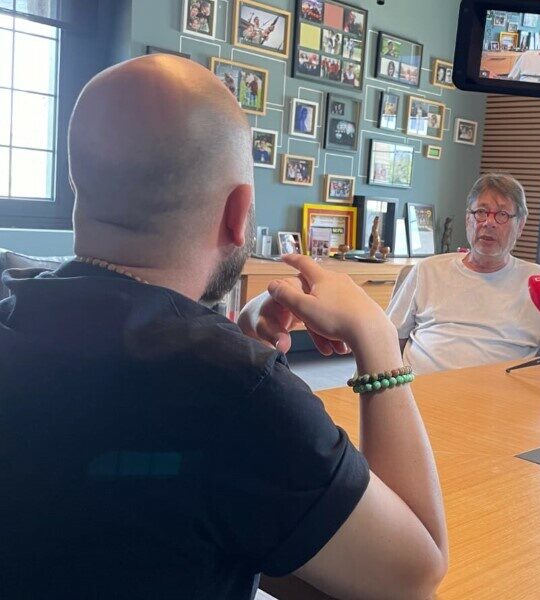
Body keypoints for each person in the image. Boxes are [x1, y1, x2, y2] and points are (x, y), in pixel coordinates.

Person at [0, 55, 447, 600]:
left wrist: (233, 337)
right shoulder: (236, 390)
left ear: (78, 187)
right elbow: (412, 576)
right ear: (239, 212)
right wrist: (375, 335)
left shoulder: (13, 300)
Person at [387, 173, 540, 375]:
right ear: (468, 219)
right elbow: (387, 340)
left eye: (502, 215)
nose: (489, 222)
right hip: (418, 395)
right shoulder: (428, 270)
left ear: (521, 225)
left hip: (497, 401)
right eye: (481, 212)